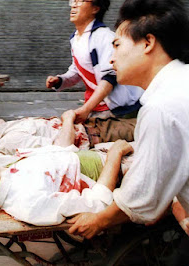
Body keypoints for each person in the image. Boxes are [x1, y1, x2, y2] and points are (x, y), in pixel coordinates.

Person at [68, 0, 189, 239]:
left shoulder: (162, 106)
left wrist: (100, 219)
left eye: (117, 45)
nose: (111, 59)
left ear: (148, 43)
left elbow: (144, 193)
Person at [0, 111, 134, 227]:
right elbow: (97, 204)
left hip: (106, 152)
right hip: (122, 170)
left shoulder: (6, 166)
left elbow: (61, 151)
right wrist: (115, 155)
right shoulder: (28, 202)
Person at [46, 0, 143, 124]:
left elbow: (110, 77)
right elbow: (77, 69)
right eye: (73, 1)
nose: (74, 5)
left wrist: (86, 109)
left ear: (95, 9)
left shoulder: (104, 37)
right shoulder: (75, 38)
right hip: (97, 108)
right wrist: (60, 80)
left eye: (81, 1)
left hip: (119, 110)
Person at [0, 113, 136, 155]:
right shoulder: (9, 141)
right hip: (101, 136)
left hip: (96, 127)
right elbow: (63, 148)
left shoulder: (9, 130)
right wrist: (68, 118)